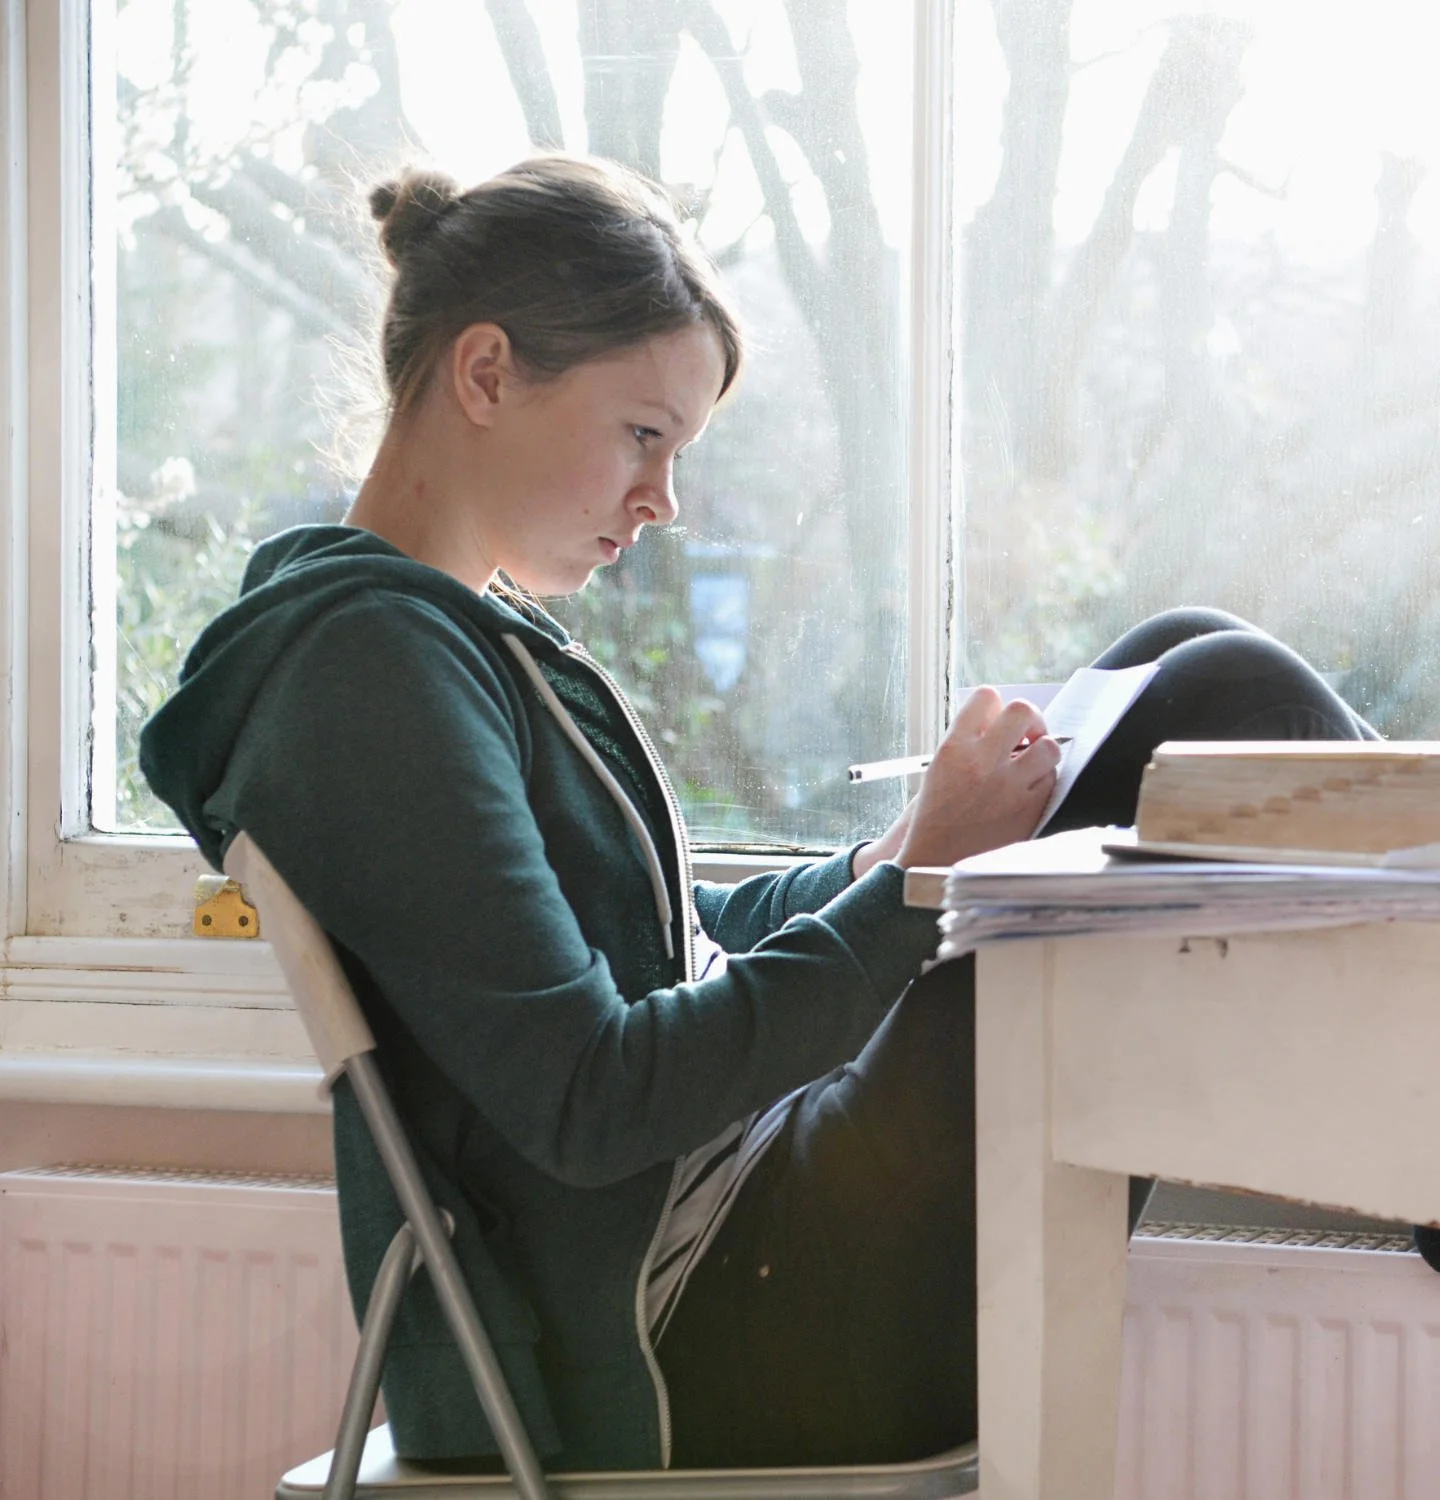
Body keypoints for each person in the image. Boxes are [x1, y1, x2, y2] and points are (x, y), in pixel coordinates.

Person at [138, 153, 1377, 1474]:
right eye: (644, 435)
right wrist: (915, 891)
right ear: (487, 374)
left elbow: (658, 934)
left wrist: (893, 856)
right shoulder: (365, 670)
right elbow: (591, 1094)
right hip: (712, 1323)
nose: (663, 502)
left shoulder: (426, 640)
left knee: (1182, 661)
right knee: (1210, 687)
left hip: (745, 1250)